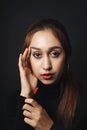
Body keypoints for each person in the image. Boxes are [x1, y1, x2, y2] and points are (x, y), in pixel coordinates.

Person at [12, 18, 85, 130]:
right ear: (27, 59)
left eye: (55, 54)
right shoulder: (13, 101)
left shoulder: (82, 100)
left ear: (67, 56)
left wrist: (49, 127)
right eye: (37, 55)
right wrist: (26, 94)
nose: (46, 66)